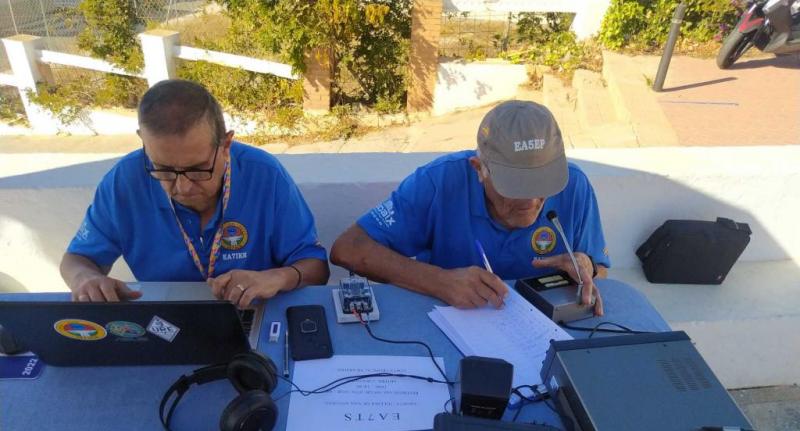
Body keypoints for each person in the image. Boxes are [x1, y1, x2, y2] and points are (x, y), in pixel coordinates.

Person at [60, 79, 329, 308]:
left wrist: (275, 278)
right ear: (144, 142)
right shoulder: (125, 181)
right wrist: (85, 279)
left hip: (254, 311)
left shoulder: (265, 175)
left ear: (226, 146)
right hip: (165, 320)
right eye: (164, 169)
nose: (183, 187)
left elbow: (315, 267)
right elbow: (77, 259)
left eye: (199, 169)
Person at [330, 100, 609, 313]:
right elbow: (349, 249)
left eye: (541, 183)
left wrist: (587, 267)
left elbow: (600, 268)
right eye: (514, 185)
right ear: (479, 169)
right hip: (450, 325)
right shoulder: (439, 181)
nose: (531, 200)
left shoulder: (574, 185)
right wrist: (440, 282)